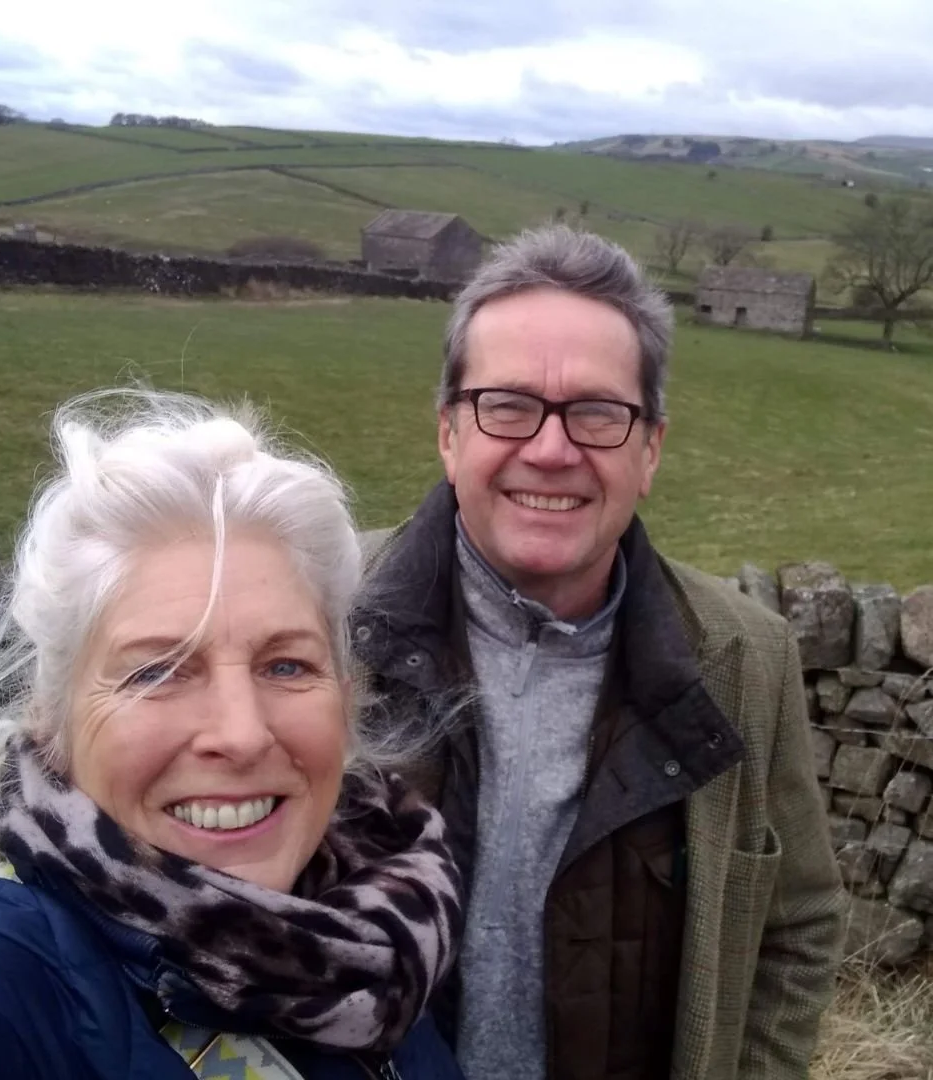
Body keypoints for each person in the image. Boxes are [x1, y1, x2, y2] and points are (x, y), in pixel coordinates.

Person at [350, 225, 846, 1080]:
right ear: (448, 433)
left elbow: (796, 924)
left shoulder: (744, 657)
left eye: (597, 413)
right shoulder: (318, 614)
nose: (551, 448)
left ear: (649, 448)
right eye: (507, 405)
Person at [0, 390, 465, 1080]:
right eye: (157, 672)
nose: (241, 734)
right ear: (51, 718)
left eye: (287, 664)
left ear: (346, 700)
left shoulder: (385, 937)